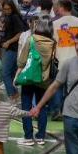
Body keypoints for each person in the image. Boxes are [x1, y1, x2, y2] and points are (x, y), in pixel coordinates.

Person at [14, 15, 55, 145]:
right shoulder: (53, 42)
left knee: (26, 106)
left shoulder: (31, 39)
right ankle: (40, 136)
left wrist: (16, 75)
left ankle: (28, 136)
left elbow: (22, 60)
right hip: (44, 79)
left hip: (29, 77)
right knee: (41, 107)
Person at [50, 0, 78, 120]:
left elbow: (51, 43)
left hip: (60, 60)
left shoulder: (54, 24)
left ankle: (57, 110)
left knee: (58, 87)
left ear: (61, 8)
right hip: (77, 61)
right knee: (73, 87)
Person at [0, 0, 27, 102]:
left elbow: (20, 33)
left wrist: (8, 42)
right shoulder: (12, 17)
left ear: (12, 8)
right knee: (11, 74)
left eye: (8, 9)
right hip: (14, 48)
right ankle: (14, 95)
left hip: (13, 48)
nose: (6, 11)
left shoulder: (14, 17)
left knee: (6, 73)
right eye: (5, 9)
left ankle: (11, 95)